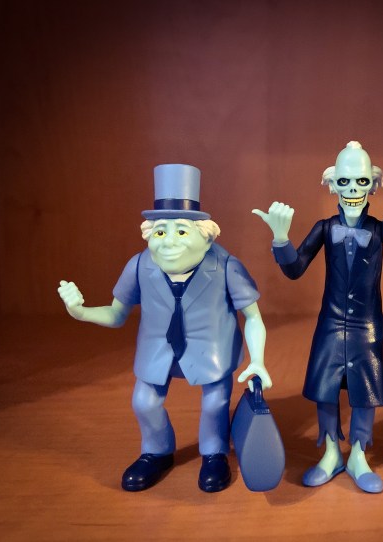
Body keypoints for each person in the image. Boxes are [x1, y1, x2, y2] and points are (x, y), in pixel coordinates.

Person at [253, 98, 383, 493]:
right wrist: (281, 239)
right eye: (344, 182)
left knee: (364, 393)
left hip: (366, 326)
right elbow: (294, 269)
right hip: (329, 324)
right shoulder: (324, 228)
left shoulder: (379, 229)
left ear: (373, 183)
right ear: (331, 183)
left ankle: (358, 455)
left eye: (361, 182)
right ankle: (330, 453)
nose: (353, 190)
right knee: (324, 389)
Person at [58, 164, 272, 493]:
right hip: (158, 351)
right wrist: (81, 312)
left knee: (215, 403)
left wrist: (258, 360)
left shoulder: (227, 266)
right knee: (144, 401)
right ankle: (156, 451)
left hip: (211, 350)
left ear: (206, 236)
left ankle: (214, 452)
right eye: (160, 232)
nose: (169, 241)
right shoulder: (139, 266)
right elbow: (117, 314)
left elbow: (253, 316)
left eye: (181, 232)